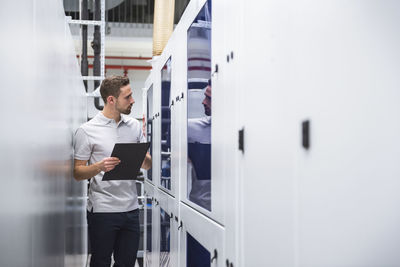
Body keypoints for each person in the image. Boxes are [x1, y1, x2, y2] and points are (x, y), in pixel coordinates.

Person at [73, 75, 151, 267]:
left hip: (131, 209)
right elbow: (77, 172)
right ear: (111, 100)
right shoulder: (87, 130)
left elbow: (147, 165)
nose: (133, 100)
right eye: (128, 97)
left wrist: (139, 155)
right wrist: (99, 166)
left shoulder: (133, 126)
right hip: (103, 211)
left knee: (126, 263)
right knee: (100, 262)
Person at [187, 84, 212, 211]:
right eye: (204, 97)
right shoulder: (190, 128)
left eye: (209, 98)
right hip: (198, 210)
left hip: (230, 214)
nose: (203, 102)